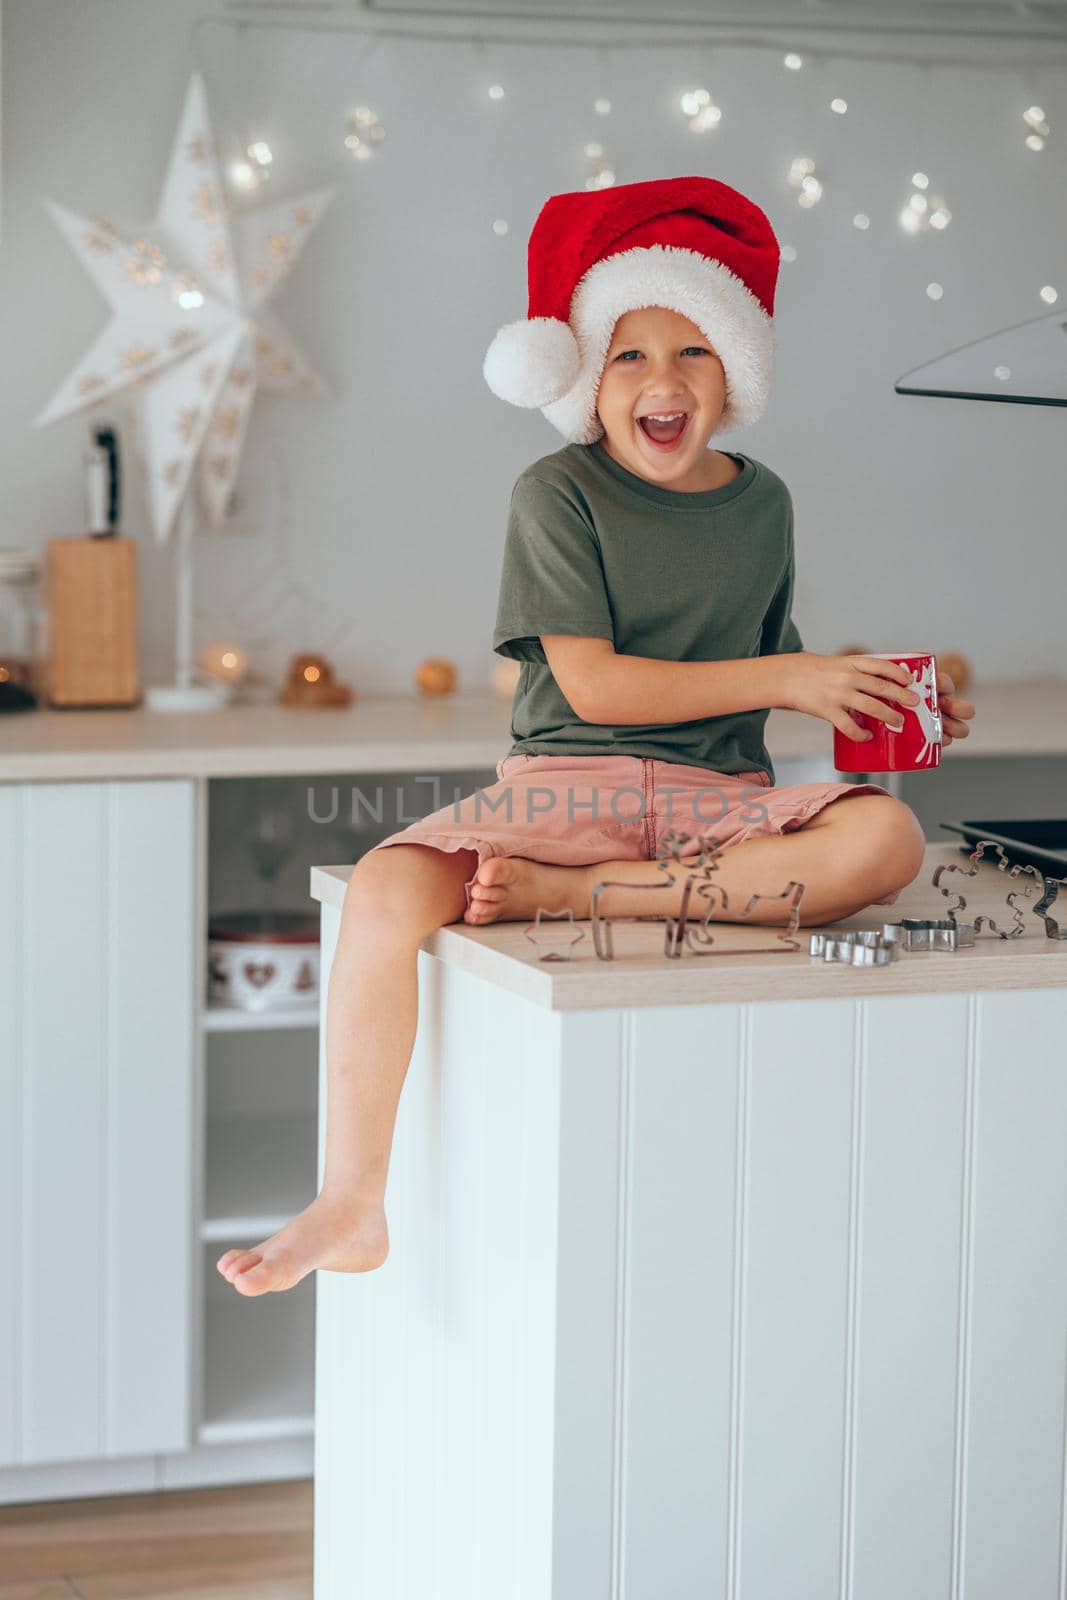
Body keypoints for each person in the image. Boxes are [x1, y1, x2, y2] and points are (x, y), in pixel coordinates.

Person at [216, 175, 975, 1296]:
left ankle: (575, 898)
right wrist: (790, 675)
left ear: (737, 373)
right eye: (629, 354)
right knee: (379, 894)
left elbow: (768, 678)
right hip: (568, 784)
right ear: (581, 374)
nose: (662, 381)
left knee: (887, 848)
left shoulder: (762, 503)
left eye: (693, 352)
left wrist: (872, 702)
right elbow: (595, 684)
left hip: (718, 797)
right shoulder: (553, 493)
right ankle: (350, 1200)